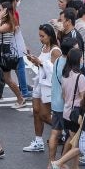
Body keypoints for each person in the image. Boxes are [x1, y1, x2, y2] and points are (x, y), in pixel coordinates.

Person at [23, 24, 57, 154]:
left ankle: (63, 129)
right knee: (36, 112)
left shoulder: (55, 50)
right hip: (39, 83)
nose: (40, 39)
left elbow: (53, 70)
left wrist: (40, 63)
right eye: (39, 36)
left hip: (48, 86)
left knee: (44, 115)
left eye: (43, 36)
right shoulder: (44, 48)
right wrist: (33, 61)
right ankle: (38, 141)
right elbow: (42, 67)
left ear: (50, 36)